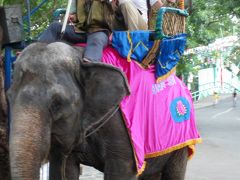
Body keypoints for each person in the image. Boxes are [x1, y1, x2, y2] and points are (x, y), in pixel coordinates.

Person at [38, 0, 114, 62]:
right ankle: (36, 53)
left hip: (99, 30)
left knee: (96, 40)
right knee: (54, 27)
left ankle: (90, 65)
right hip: (80, 31)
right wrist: (72, 17)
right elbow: (79, 17)